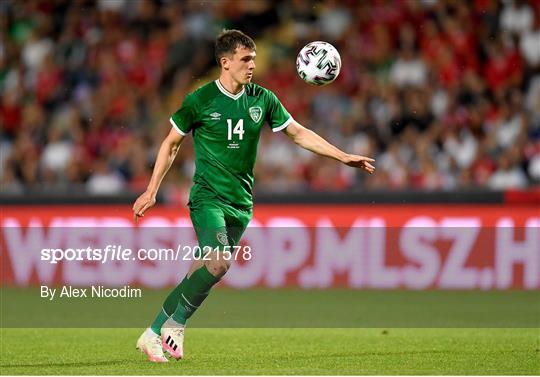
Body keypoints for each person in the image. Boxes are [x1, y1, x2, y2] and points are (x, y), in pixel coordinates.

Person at [132, 29, 375, 363]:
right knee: (219, 262)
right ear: (225, 62)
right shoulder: (200, 100)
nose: (251, 66)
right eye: (245, 60)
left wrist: (342, 156)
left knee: (204, 269)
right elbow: (171, 143)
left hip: (241, 203)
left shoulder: (262, 99)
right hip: (208, 198)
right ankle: (176, 324)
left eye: (254, 60)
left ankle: (152, 333)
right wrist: (151, 189)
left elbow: (298, 133)